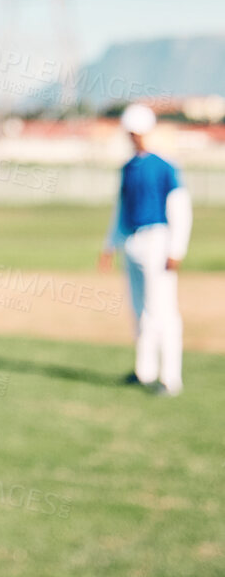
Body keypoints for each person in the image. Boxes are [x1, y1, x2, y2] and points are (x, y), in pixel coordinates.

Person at [97, 103, 192, 397]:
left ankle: (170, 378)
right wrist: (109, 244)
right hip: (132, 241)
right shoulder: (128, 168)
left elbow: (180, 208)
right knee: (139, 311)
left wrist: (176, 249)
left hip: (157, 240)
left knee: (162, 310)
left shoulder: (164, 166)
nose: (134, 137)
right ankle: (145, 370)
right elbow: (121, 208)